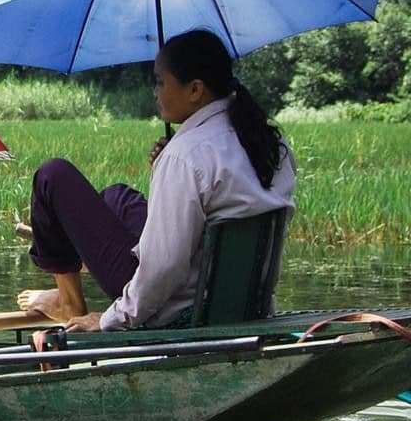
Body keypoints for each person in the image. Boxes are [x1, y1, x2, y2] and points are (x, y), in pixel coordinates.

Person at [16, 29, 295, 332]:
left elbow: (164, 269)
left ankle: (68, 301)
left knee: (53, 175)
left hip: (178, 308)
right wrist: (167, 165)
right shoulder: (270, 144)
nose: (155, 92)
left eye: (161, 82)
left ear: (195, 90)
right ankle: (75, 271)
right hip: (242, 301)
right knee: (116, 199)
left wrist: (111, 319)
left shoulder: (185, 156)